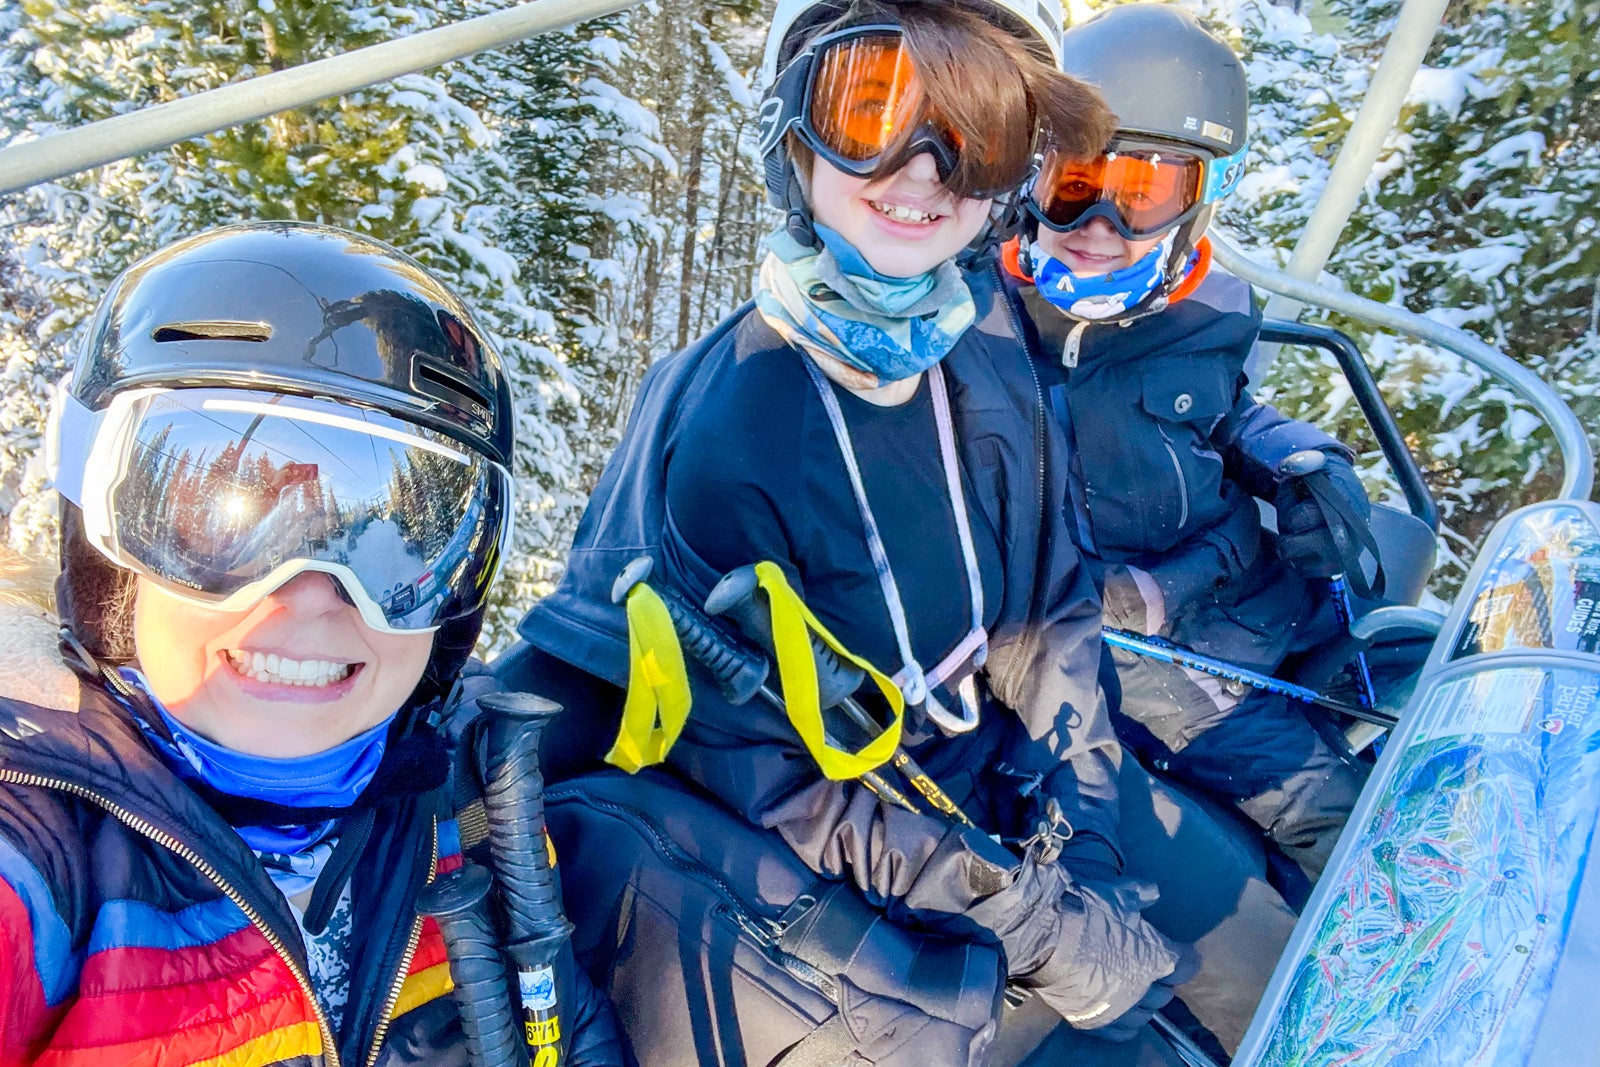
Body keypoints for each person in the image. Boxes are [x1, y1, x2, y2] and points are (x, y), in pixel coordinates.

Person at [500, 2, 1296, 1061]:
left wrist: (1088, 829)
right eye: (869, 112)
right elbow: (759, 771)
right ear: (794, 133)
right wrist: (1027, 916)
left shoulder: (986, 346)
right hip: (859, 888)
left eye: (975, 130)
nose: (922, 168)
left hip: (1014, 794)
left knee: (1274, 972)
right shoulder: (734, 413)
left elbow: (1052, 618)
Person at [0, 223, 625, 1067]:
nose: (307, 599)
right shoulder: (40, 857)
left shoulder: (479, 807)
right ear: (106, 558)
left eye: (391, 543)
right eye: (219, 524)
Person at [1000, 4, 1374, 886]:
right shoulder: (982, 320)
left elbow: (1228, 413)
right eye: (1072, 182)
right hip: (1134, 652)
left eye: (1142, 193)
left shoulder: (1205, 311)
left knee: (1359, 735)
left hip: (1242, 592)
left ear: (1197, 203)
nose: (1098, 224)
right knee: (1326, 814)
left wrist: (1299, 461)